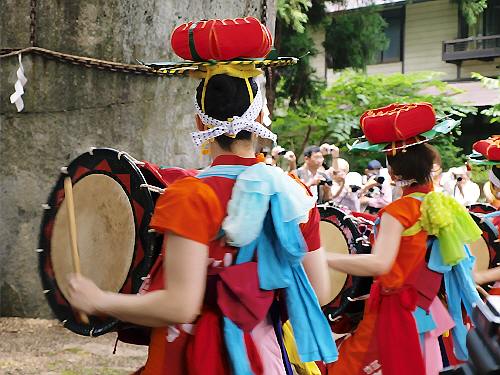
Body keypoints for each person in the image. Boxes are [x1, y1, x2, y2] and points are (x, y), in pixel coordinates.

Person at [66, 18, 336, 375]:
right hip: (264, 356)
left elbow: (181, 305)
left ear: (200, 123)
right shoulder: (296, 195)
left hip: (192, 357)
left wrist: (100, 299)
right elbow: (319, 291)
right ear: (258, 118)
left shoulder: (188, 194)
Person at [326, 103, 482, 375]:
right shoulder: (440, 203)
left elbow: (381, 264)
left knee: (348, 367)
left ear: (394, 172)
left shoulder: (398, 211)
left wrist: (327, 258)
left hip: (397, 307)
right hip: (428, 303)